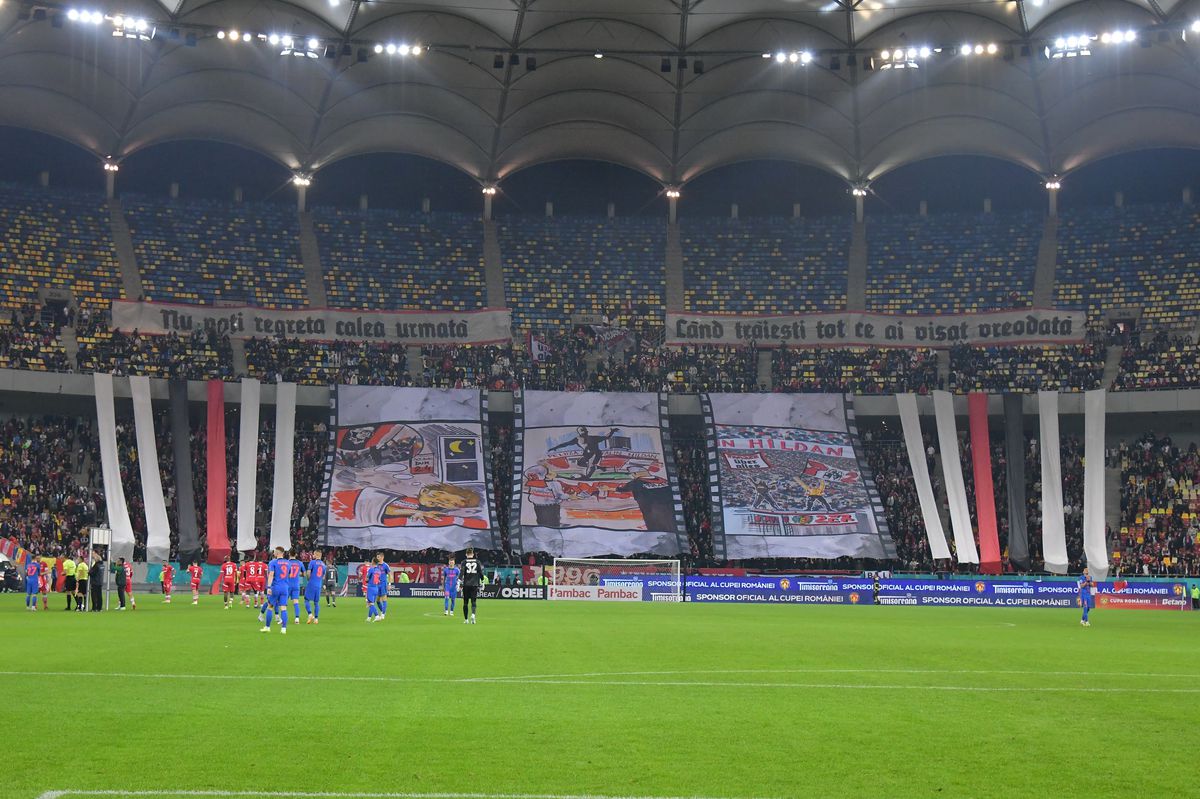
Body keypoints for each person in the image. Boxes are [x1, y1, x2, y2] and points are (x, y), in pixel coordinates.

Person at [549, 426, 619, 477]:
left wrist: (612, 431)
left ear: (587, 433)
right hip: (587, 454)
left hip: (596, 453)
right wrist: (554, 448)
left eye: (586, 435)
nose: (585, 437)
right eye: (583, 435)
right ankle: (598, 468)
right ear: (580, 435)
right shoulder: (577, 439)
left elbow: (606, 437)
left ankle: (588, 476)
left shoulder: (593, 438)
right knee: (580, 462)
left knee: (590, 465)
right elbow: (565, 444)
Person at [260, 546, 290, 634]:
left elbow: (271, 575)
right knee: (283, 608)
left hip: (276, 587)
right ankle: (283, 629)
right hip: (285, 587)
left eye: (274, 552)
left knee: (270, 606)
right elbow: (289, 574)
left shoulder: (273, 562)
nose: (273, 553)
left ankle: (267, 627)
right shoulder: (288, 563)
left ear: (277, 553)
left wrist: (269, 587)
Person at [460, 547, 483, 624]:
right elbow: (480, 572)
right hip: (474, 584)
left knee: (465, 602)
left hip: (466, 584)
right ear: (473, 554)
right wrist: (482, 580)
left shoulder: (464, 562)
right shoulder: (477, 562)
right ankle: (473, 615)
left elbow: (462, 573)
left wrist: (459, 581)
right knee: (473, 601)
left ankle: (466, 619)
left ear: (466, 554)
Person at [304, 551, 327, 624]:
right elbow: (323, 576)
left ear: (316, 555)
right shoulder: (324, 565)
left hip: (312, 583)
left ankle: (310, 614)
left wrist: (308, 580)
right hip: (318, 585)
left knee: (306, 600)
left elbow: (308, 573)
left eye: (313, 554)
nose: (313, 555)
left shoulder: (312, 562)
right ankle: (316, 619)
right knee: (316, 602)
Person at [364, 557, 384, 623]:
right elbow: (380, 580)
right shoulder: (379, 570)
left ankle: (377, 616)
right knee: (372, 603)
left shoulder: (371, 569)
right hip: (376, 588)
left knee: (370, 603)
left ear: (373, 562)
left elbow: (367, 579)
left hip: (370, 588)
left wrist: (367, 580)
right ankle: (369, 618)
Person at [287, 551, 303, 624]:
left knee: (283, 602)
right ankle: (297, 619)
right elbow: (304, 574)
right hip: (296, 584)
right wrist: (299, 574)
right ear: (296, 554)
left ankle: (281, 618)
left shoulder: (286, 562)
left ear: (289, 554)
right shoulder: (300, 563)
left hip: (287, 585)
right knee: (296, 602)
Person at [373, 552, 390, 620]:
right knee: (377, 601)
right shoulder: (375, 565)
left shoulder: (385, 565)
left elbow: (390, 575)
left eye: (378, 557)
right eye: (377, 557)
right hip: (377, 585)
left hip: (383, 584)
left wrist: (389, 584)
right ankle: (383, 612)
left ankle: (382, 615)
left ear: (382, 557)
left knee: (384, 599)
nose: (377, 558)